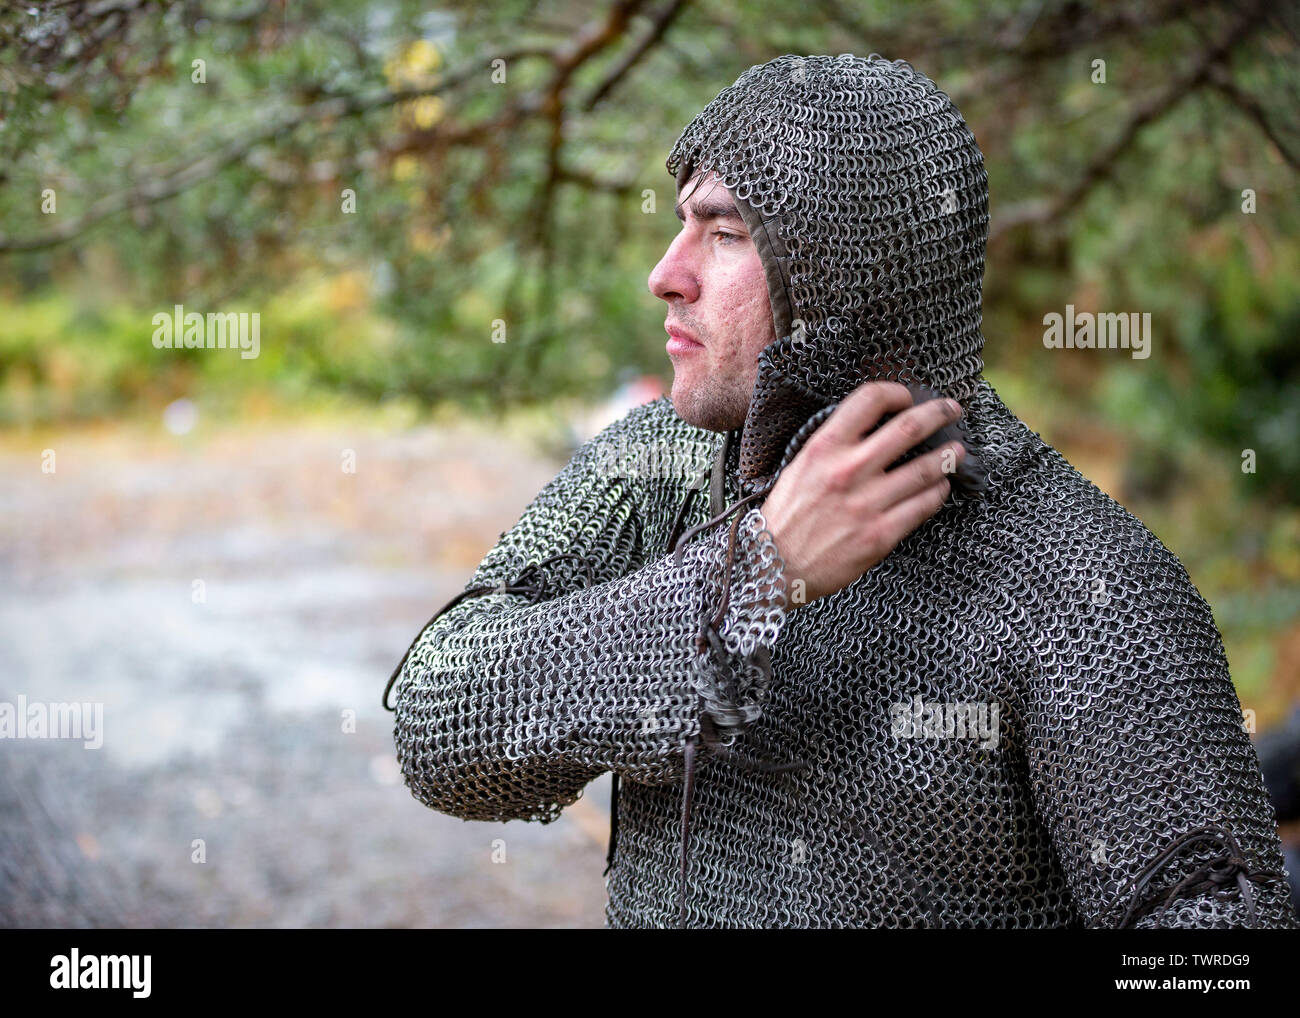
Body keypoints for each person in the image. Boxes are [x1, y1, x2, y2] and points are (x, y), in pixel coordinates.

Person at [385, 53, 1298, 929]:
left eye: (726, 234)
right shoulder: (655, 467)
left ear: (847, 275)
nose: (665, 275)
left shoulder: (1081, 581)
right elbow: (439, 727)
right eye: (681, 224)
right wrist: (754, 573)